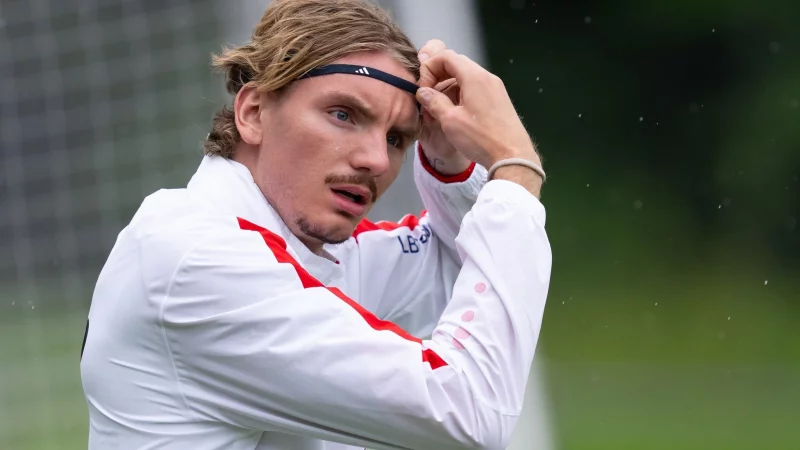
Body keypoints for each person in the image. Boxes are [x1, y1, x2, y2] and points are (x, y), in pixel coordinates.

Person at [79, 0, 552, 448]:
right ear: (253, 112)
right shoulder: (198, 260)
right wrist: (514, 170)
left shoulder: (293, 248)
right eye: (343, 114)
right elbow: (468, 411)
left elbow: (458, 272)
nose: (376, 161)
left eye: (396, 138)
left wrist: (449, 162)